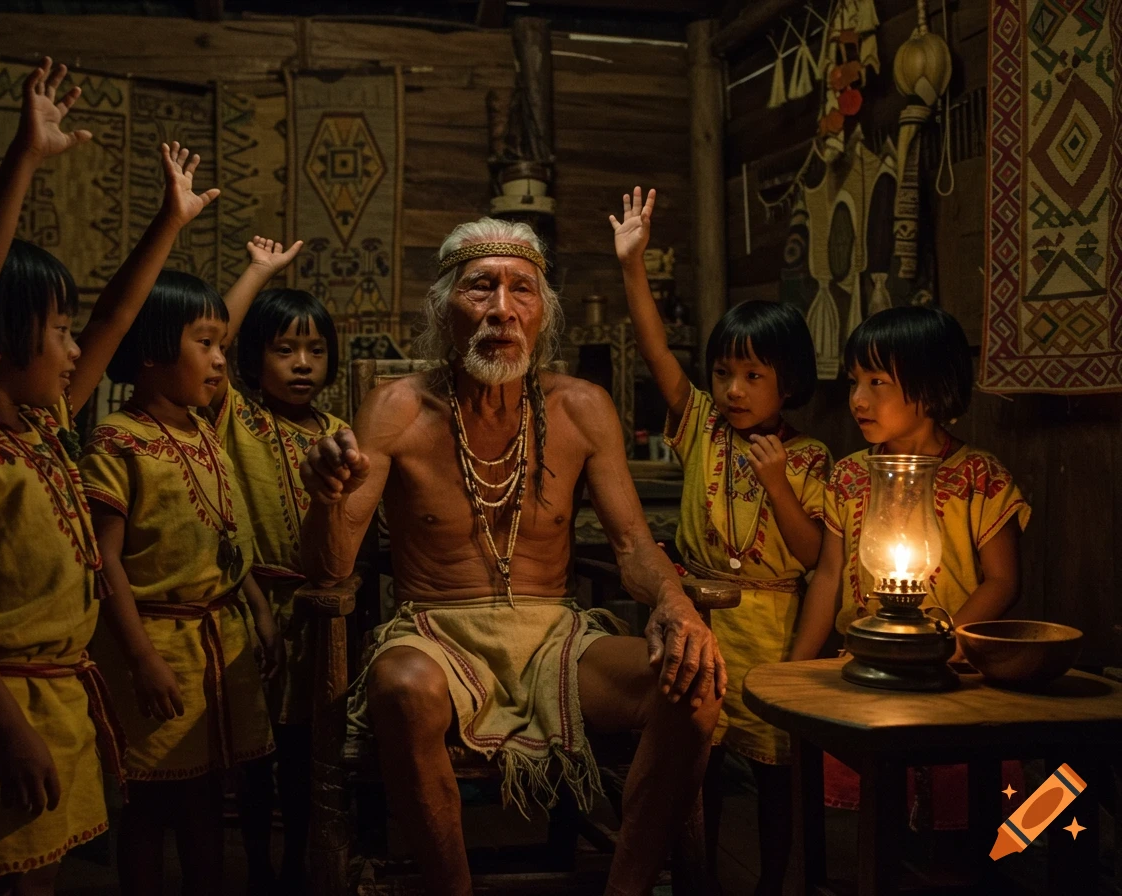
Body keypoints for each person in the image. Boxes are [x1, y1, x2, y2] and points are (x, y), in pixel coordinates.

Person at [300, 216, 727, 896]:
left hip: (554, 638)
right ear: (444, 309)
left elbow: (631, 547)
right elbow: (330, 568)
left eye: (521, 290)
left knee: (693, 686)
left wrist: (674, 604)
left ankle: (627, 889)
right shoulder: (396, 410)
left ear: (543, 314)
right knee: (402, 688)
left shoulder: (583, 409)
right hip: (437, 637)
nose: (501, 309)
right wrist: (326, 496)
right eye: (480, 288)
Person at [0, 57, 210, 893]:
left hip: (55, 703)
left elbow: (116, 316)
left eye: (70, 331)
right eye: (55, 330)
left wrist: (169, 223)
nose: (75, 350)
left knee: (40, 880)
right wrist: (7, 727)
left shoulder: (40, 424)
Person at [612, 187, 830, 896]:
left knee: (775, 774)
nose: (732, 390)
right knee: (695, 763)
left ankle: (773, 883)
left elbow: (808, 555)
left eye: (752, 376)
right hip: (700, 619)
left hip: (771, 625)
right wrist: (633, 266)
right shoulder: (700, 423)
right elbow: (653, 350)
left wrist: (776, 485)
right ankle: (697, 876)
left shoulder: (810, 459)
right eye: (722, 373)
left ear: (788, 383)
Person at [790, 304, 1030, 827]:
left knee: (960, 813)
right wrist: (793, 674)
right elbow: (828, 576)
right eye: (855, 381)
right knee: (878, 818)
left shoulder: (978, 477)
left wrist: (941, 644)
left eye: (878, 382)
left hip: (953, 677)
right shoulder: (851, 476)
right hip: (864, 669)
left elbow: (1004, 580)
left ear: (932, 387)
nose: (858, 399)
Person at [80, 264, 278, 896]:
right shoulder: (118, 440)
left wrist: (258, 609)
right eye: (204, 344)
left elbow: (228, 543)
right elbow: (103, 560)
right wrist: (140, 660)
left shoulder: (202, 425)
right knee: (148, 807)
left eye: (224, 346)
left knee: (204, 802)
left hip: (219, 641)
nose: (220, 361)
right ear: (152, 351)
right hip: (160, 648)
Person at [205, 240, 348, 892]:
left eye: (315, 351)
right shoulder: (236, 416)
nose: (300, 364)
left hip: (319, 616)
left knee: (305, 755)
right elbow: (214, 342)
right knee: (254, 755)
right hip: (251, 608)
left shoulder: (340, 429)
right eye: (284, 350)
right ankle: (258, 866)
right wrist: (259, 272)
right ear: (251, 356)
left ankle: (298, 866)